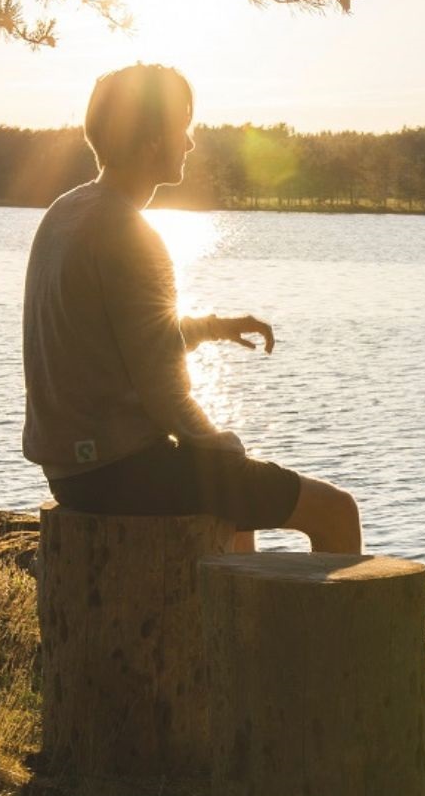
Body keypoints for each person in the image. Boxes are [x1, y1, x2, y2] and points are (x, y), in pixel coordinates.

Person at [23, 63, 360, 553]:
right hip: (121, 472)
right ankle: (337, 633)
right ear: (154, 140)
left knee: (234, 506)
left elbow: (122, 339)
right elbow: (165, 391)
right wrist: (226, 447)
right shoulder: (130, 234)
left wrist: (212, 328)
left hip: (70, 471)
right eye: (184, 128)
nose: (191, 142)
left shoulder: (68, 210)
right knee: (334, 510)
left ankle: (239, 626)